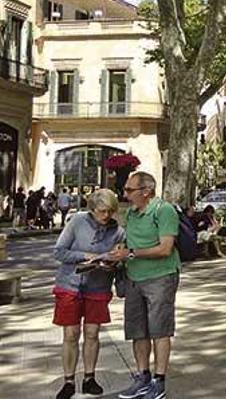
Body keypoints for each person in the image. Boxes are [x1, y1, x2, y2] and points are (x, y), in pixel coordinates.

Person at [109, 171, 181, 399]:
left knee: (160, 330)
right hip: (133, 278)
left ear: (146, 191)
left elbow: (165, 248)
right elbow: (129, 240)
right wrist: (119, 252)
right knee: (138, 331)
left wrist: (130, 253)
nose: (125, 194)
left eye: (130, 190)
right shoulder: (131, 213)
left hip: (160, 277)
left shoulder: (164, 211)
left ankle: (159, 381)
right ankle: (142, 377)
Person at [52, 189, 124, 399]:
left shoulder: (118, 232)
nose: (106, 215)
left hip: (98, 286)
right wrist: (86, 256)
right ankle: (68, 380)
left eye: (111, 211)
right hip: (70, 284)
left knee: (92, 334)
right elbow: (59, 251)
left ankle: (89, 378)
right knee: (71, 334)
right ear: (92, 209)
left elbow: (120, 260)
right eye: (102, 211)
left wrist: (113, 264)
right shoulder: (77, 221)